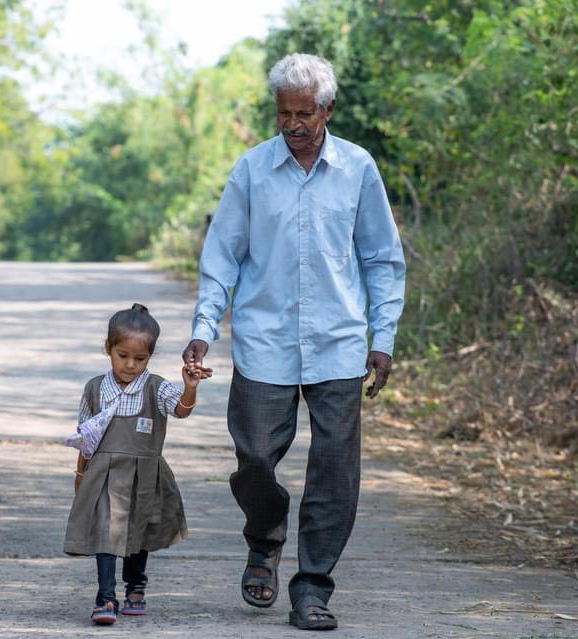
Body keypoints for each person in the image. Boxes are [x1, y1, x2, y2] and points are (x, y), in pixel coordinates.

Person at [182, 53, 406, 630]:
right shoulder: (252, 171)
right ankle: (265, 537)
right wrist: (204, 330)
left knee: (335, 470)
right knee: (254, 457)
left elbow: (382, 259)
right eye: (284, 113)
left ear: (327, 110)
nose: (294, 124)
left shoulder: (358, 168)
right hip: (265, 340)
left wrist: (384, 336)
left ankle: (312, 587)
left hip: (338, 343)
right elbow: (222, 257)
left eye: (305, 113)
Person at [64, 303, 211, 625]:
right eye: (123, 356)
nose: (130, 365)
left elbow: (181, 410)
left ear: (150, 357)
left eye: (140, 359)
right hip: (103, 475)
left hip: (144, 475)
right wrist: (80, 472)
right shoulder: (94, 388)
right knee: (105, 532)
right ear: (108, 349)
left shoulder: (156, 387)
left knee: (137, 533)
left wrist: (189, 387)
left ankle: (136, 586)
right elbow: (85, 436)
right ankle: (105, 599)